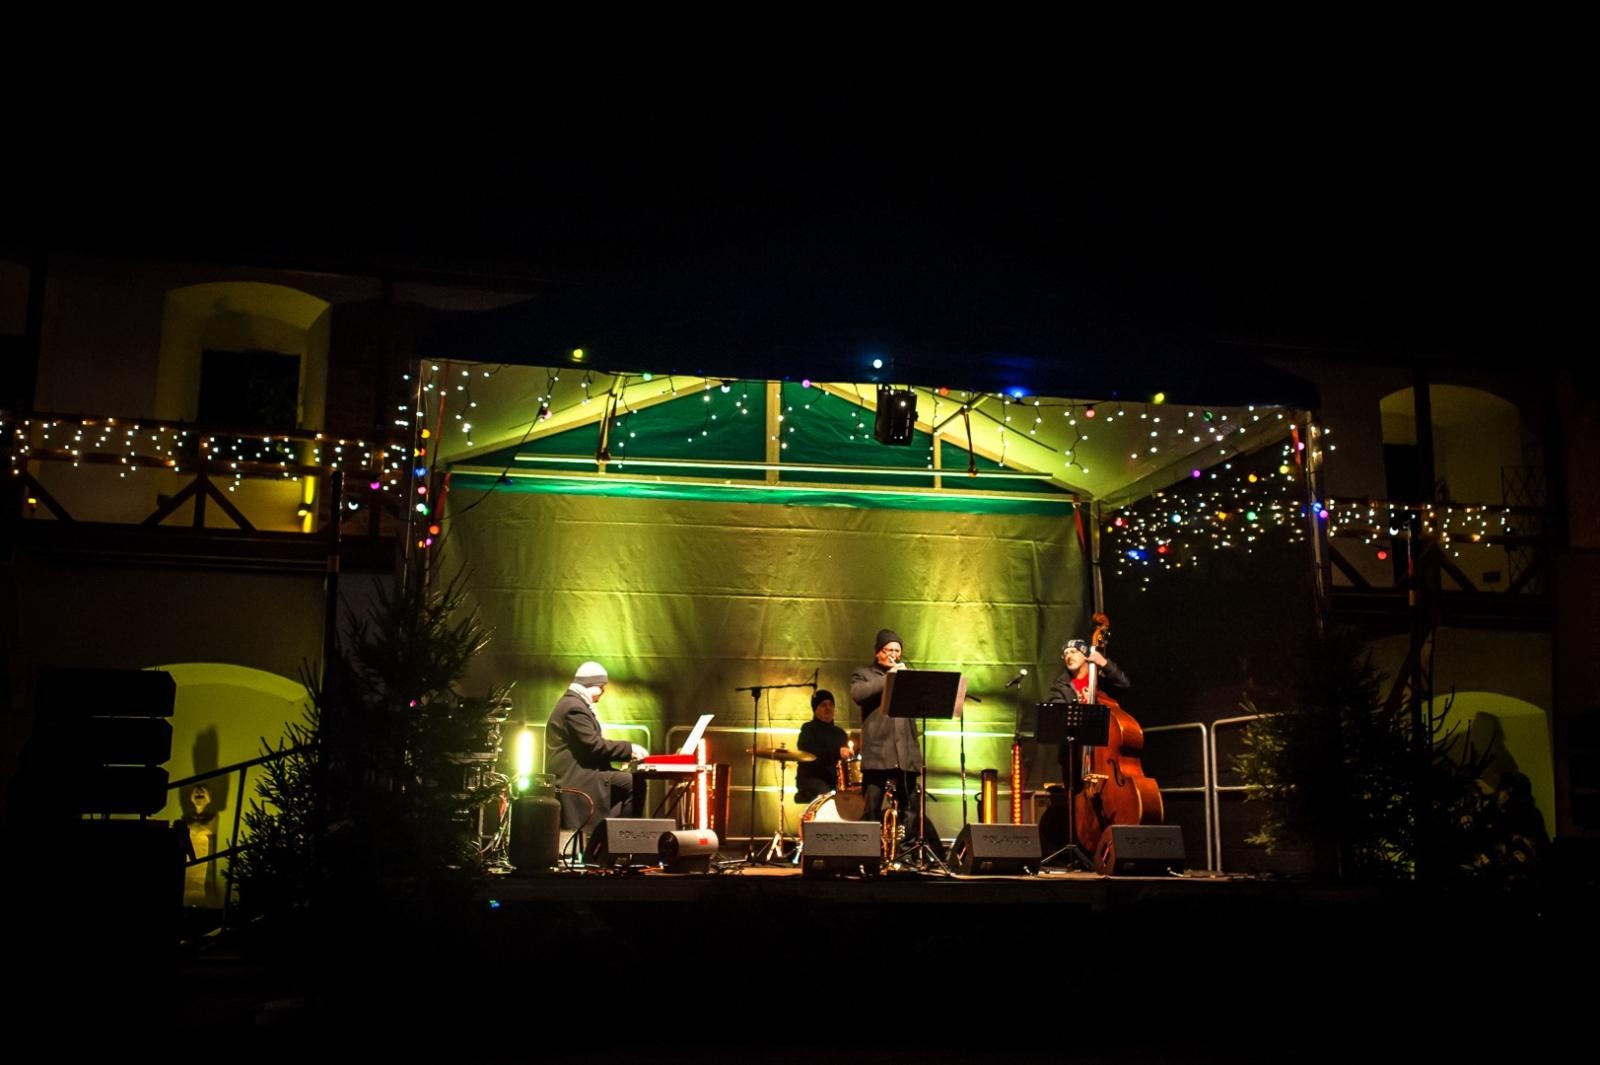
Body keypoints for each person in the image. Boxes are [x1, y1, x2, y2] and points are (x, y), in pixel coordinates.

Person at [850, 628, 939, 848]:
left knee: (910, 809)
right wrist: (891, 678)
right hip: (879, 752)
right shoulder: (864, 674)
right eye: (889, 650)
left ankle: (906, 852)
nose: (894, 655)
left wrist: (910, 681)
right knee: (871, 807)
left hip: (905, 751)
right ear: (878, 652)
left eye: (898, 651)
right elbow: (858, 694)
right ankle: (866, 852)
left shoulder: (905, 675)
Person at [544, 661, 648, 831]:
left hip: (582, 773)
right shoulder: (574, 708)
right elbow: (593, 745)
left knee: (628, 783)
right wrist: (630, 750)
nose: (603, 692)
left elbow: (589, 748)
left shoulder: (573, 704)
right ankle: (623, 839)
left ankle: (612, 836)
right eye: (601, 686)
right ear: (590, 685)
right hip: (577, 778)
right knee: (634, 784)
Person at [795, 689, 851, 803]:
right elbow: (810, 755)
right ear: (815, 709)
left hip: (835, 781)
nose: (828, 708)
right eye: (823, 705)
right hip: (812, 778)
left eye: (831, 704)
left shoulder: (840, 734)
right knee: (827, 796)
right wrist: (836, 752)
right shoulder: (808, 729)